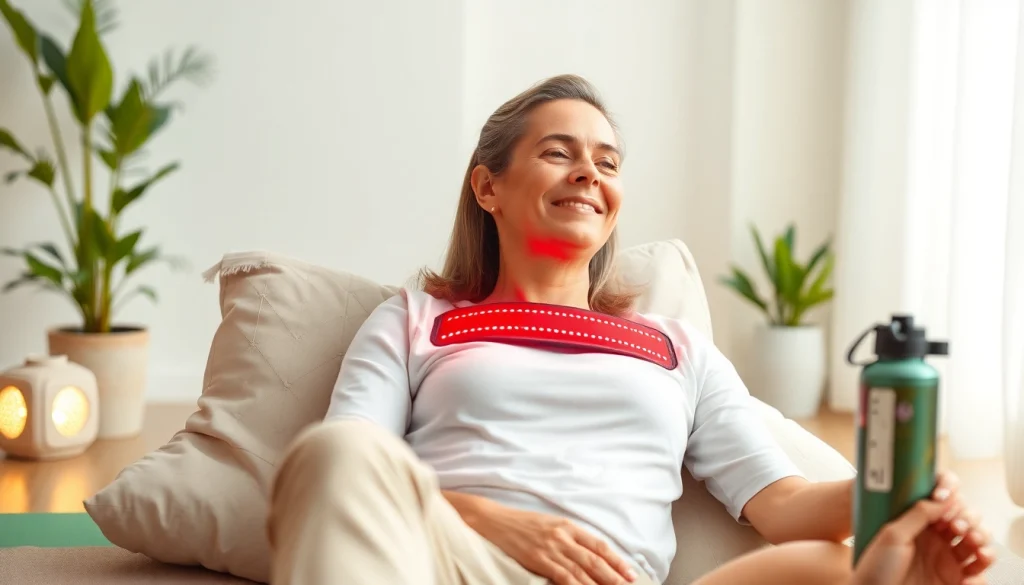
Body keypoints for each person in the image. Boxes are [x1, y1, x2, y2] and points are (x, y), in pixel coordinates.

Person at [265, 74, 995, 585]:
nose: (589, 171)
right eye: (559, 152)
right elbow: (347, 465)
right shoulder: (416, 320)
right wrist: (500, 523)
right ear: (488, 186)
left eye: (606, 162)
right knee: (331, 451)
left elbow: (784, 505)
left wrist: (906, 488)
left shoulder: (674, 347)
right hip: (454, 564)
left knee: (863, 568)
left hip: (616, 578)